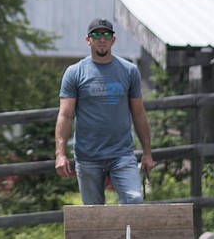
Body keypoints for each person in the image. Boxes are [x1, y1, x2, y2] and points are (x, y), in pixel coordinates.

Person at [55, 18, 155, 204]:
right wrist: (60, 154)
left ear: (113, 40)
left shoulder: (129, 71)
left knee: (134, 201)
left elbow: (139, 113)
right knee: (95, 215)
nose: (102, 39)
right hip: (88, 157)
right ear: (88, 40)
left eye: (107, 35)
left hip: (122, 154)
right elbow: (65, 115)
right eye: (97, 35)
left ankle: (127, 235)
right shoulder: (75, 73)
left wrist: (147, 153)